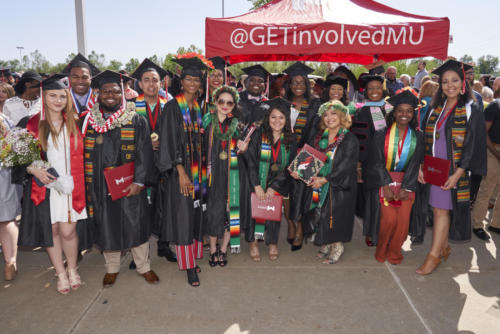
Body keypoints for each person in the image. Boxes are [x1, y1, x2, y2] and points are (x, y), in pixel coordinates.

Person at [82, 70, 159, 287]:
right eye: (106, 91)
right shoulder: (89, 121)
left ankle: (144, 267)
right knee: (107, 226)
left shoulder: (135, 119)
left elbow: (145, 154)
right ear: (98, 94)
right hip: (99, 183)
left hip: (128, 183)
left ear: (122, 94)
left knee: (136, 224)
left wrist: (139, 182)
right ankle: (112, 268)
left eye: (115, 91)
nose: (110, 95)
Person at [16, 74, 87, 294]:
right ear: (44, 97)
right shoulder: (30, 123)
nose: (58, 100)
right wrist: (32, 168)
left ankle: (73, 268)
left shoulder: (77, 122)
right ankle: (60, 273)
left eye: (62, 96)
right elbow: (17, 158)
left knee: (68, 232)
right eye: (52, 96)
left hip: (71, 186)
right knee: (52, 231)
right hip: (45, 187)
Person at [416, 60, 486, 275]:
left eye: (454, 80)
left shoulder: (470, 109)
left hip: (453, 170)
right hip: (434, 168)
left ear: (463, 82)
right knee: (439, 210)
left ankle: (434, 256)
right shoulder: (435, 108)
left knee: (440, 211)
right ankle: (443, 247)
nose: (449, 85)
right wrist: (421, 165)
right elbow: (426, 140)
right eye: (445, 81)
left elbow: (472, 145)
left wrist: (458, 173)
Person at [156, 54, 213, 287]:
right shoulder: (172, 107)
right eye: (188, 78)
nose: (192, 83)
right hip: (181, 173)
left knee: (196, 215)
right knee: (183, 217)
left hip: (199, 172)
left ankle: (192, 257)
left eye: (196, 79)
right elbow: (168, 142)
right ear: (181, 81)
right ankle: (188, 266)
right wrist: (180, 171)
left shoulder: (200, 108)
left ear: (201, 83)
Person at [295, 101, 358, 264]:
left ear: (342, 116)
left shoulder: (349, 139)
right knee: (320, 213)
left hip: (339, 185)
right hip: (319, 182)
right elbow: (313, 156)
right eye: (326, 114)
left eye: (334, 113)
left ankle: (337, 246)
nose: (329, 118)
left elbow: (346, 166)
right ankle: (325, 242)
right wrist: (300, 171)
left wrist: (325, 179)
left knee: (334, 216)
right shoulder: (320, 136)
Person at [365, 90, 423, 264]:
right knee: (389, 220)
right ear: (394, 112)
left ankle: (395, 251)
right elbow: (376, 161)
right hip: (385, 180)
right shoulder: (381, 134)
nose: (404, 114)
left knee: (403, 223)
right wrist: (385, 184)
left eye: (409, 111)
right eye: (400, 110)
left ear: (413, 114)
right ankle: (382, 248)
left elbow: (415, 163)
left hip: (407, 181)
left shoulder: (418, 137)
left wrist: (407, 187)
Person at [130, 58, 176, 263]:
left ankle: (164, 246)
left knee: (165, 207)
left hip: (165, 166)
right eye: (146, 80)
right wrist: (146, 145)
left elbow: (177, 135)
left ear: (161, 83)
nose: (151, 84)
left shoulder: (170, 106)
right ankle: (139, 252)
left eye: (154, 80)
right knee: (140, 209)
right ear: (139, 83)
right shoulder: (131, 108)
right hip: (141, 167)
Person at [246, 97, 296, 261]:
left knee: (273, 212)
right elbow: (251, 162)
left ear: (286, 120)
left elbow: (290, 166)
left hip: (278, 182)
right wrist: (257, 185)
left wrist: (274, 187)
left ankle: (272, 242)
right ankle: (253, 242)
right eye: (273, 117)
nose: (277, 121)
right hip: (257, 180)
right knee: (254, 212)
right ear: (268, 118)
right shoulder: (259, 135)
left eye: (281, 117)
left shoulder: (290, 139)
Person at [283, 62, 322, 251]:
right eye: (294, 82)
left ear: (307, 85)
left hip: (307, 154)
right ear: (289, 85)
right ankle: (290, 224)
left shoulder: (315, 104)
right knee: (285, 195)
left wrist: (305, 156)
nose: (298, 86)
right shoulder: (282, 103)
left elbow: (317, 132)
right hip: (283, 153)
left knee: (302, 195)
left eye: (301, 82)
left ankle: (299, 228)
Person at [203, 85, 242, 266]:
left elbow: (244, 154)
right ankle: (212, 249)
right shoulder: (206, 123)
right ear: (215, 102)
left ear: (234, 105)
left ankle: (224, 249)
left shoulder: (237, 125)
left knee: (228, 211)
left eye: (229, 102)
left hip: (230, 175)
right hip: (211, 175)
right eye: (221, 101)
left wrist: (245, 148)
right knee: (213, 212)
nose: (225, 105)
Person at [237, 64, 271, 250]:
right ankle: (235, 233)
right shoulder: (236, 100)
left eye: (260, 81)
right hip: (237, 157)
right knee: (237, 197)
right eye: (253, 80)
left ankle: (253, 238)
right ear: (245, 81)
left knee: (256, 195)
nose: (257, 83)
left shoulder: (268, 104)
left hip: (259, 158)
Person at [351, 75, 387, 246]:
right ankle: (371, 231)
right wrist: (358, 166)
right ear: (365, 91)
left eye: (378, 87)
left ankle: (386, 231)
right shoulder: (361, 111)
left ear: (383, 89)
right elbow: (359, 141)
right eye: (370, 88)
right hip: (369, 163)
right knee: (371, 199)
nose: (374, 91)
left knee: (387, 199)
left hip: (390, 161)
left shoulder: (390, 108)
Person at [471, 95, 500, 237]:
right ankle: (477, 225)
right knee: (486, 190)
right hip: (493, 151)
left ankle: (496, 224)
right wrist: (496, 153)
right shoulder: (495, 106)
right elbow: (483, 132)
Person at [0, 114, 22, 281]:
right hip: (4, 174)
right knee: (7, 220)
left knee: (6, 220)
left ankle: (10, 262)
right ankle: (10, 262)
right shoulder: (5, 119)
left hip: (4, 174)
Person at [62, 53, 100, 117]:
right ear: (69, 78)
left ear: (90, 78)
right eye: (75, 77)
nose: (80, 81)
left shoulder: (99, 98)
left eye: (84, 77)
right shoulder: (62, 99)